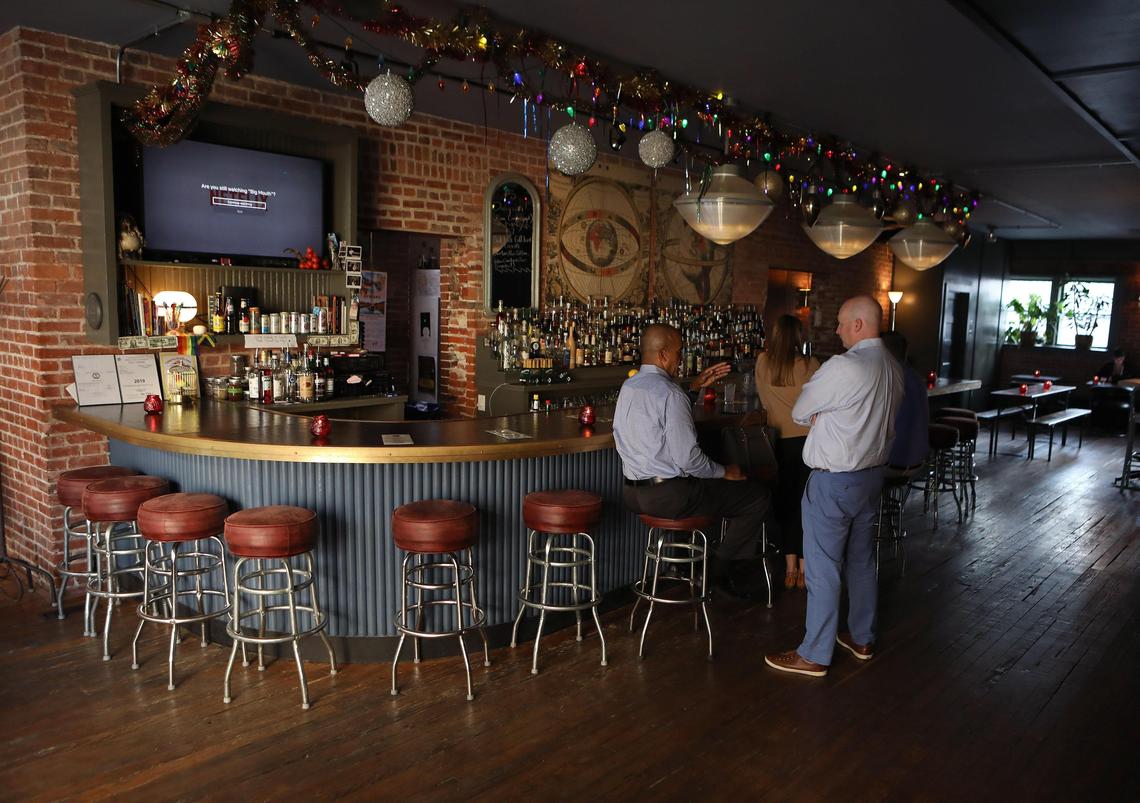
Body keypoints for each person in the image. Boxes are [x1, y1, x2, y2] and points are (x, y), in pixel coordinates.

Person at [765, 295, 902, 677]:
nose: (837, 330)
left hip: (834, 480)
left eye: (841, 323)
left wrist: (825, 415)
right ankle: (862, 637)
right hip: (871, 478)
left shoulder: (844, 366)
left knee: (823, 568)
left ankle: (814, 654)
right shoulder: (893, 366)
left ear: (858, 324)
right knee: (861, 561)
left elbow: (799, 411)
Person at [614, 324, 771, 594]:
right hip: (668, 497)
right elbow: (688, 459)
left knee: (692, 486)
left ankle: (681, 565)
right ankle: (714, 573)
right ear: (663, 355)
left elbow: (660, 418)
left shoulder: (629, 386)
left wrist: (694, 388)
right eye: (679, 352)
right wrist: (725, 471)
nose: (681, 358)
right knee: (757, 497)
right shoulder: (671, 394)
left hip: (632, 493)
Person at [755, 315, 819, 590]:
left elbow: (763, 402)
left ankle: (789, 568)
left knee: (785, 504)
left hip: (776, 442)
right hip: (808, 442)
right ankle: (804, 569)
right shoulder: (810, 365)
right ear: (798, 336)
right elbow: (820, 403)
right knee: (806, 504)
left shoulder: (762, 362)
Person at [880, 331, 929, 473]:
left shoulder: (889, 377)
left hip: (894, 462)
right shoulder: (915, 377)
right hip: (918, 459)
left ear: (885, 352)